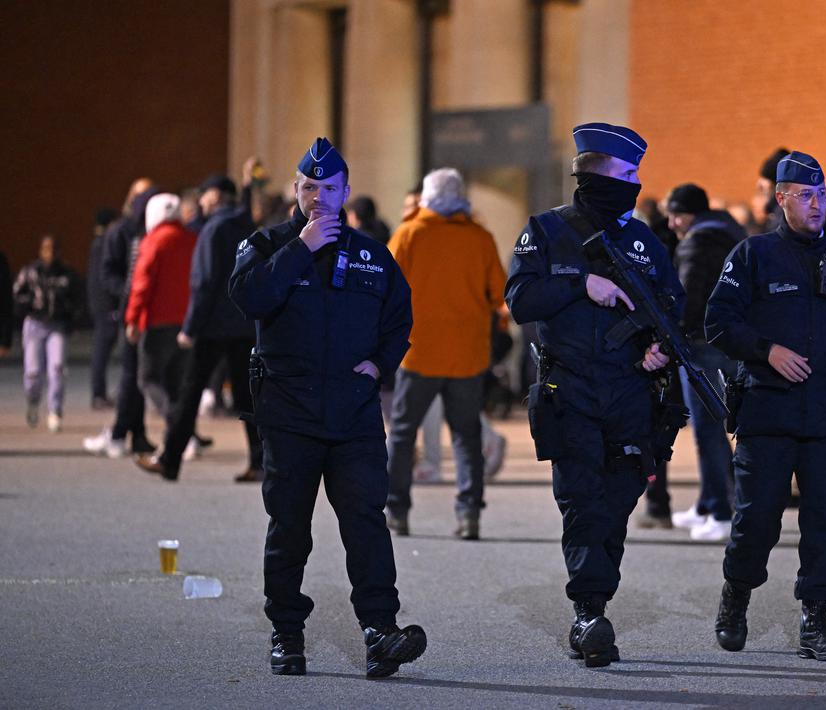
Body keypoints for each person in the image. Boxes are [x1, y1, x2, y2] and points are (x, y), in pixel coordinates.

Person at [229, 137, 424, 678]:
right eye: (309, 187)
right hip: (288, 414)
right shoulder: (268, 245)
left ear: (345, 192)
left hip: (354, 415)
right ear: (296, 189)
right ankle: (287, 634)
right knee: (289, 528)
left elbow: (400, 318)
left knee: (366, 524)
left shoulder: (370, 254)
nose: (319, 197)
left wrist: (381, 364)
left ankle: (380, 632)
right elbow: (248, 298)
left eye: (329, 188)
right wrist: (303, 247)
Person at [505, 122, 683, 668]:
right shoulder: (547, 230)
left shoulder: (642, 240)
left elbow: (672, 306)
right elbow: (520, 299)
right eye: (627, 175)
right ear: (597, 174)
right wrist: (580, 284)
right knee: (582, 499)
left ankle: (595, 598)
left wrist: (661, 351)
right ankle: (589, 611)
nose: (634, 186)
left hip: (631, 392)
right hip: (571, 389)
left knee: (617, 501)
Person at [705, 150, 826, 661]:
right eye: (806, 195)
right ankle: (736, 596)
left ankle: (815, 621)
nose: (817, 204)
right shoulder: (753, 255)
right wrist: (767, 351)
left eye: (822, 195)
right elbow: (718, 320)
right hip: (768, 413)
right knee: (757, 521)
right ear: (781, 198)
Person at [384, 167, 507, 540]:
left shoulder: (408, 234)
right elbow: (499, 294)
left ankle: (397, 510)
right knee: (466, 436)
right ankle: (469, 512)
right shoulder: (481, 238)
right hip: (468, 355)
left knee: (403, 434)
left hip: (418, 352)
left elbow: (384, 289)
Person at [134, 175, 264, 482]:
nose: (201, 202)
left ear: (216, 196)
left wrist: (190, 328)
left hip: (213, 325)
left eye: (204, 196)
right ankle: (261, 463)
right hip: (243, 322)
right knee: (248, 397)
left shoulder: (214, 228)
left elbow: (204, 282)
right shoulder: (247, 226)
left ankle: (170, 459)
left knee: (190, 391)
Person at [662, 182, 745, 541]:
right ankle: (708, 502)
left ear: (688, 214)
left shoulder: (697, 243)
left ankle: (723, 513)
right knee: (720, 427)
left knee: (708, 431)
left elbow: (688, 299)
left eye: (675, 215)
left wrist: (670, 336)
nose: (670, 224)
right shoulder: (732, 234)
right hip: (732, 343)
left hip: (700, 347)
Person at [84, 182, 159, 458]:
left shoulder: (152, 231)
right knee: (133, 375)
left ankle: (135, 434)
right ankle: (121, 433)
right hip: (130, 312)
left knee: (139, 376)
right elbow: (107, 275)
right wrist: (126, 297)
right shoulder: (121, 232)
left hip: (150, 314)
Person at [124, 193, 196, 424]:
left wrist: (133, 319)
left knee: (149, 379)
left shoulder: (153, 241)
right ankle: (183, 436)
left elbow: (141, 284)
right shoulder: (192, 239)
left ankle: (178, 423)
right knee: (176, 382)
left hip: (157, 322)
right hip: (186, 321)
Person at [13, 234, 83, 431]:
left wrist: (71, 318)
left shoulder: (67, 274)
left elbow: (78, 299)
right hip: (35, 325)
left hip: (57, 326)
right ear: (40, 250)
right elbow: (17, 295)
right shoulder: (30, 272)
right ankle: (33, 400)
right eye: (46, 248)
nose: (50, 253)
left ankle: (55, 410)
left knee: (57, 368)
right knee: (33, 372)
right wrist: (30, 308)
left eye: (53, 249)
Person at [87, 207, 120, 409]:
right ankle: (98, 394)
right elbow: (103, 279)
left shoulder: (97, 244)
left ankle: (99, 393)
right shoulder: (103, 245)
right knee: (102, 350)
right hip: (105, 306)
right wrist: (111, 305)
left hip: (101, 305)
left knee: (102, 349)